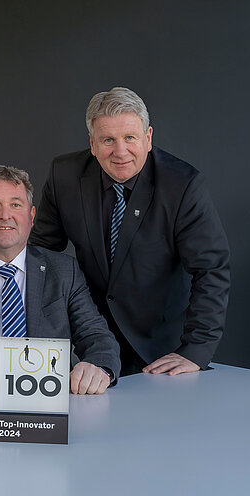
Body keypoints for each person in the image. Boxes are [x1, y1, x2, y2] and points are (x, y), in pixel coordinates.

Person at [30, 87, 230, 376]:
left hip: (161, 348)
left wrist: (195, 351)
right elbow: (41, 254)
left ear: (148, 138)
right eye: (108, 140)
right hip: (90, 344)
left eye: (130, 138)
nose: (120, 151)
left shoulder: (182, 186)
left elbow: (211, 269)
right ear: (92, 143)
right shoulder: (65, 175)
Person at [0, 166, 120, 407]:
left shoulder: (63, 271)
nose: (5, 215)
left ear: (31, 216)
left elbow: (96, 334)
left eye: (16, 204)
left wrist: (99, 366)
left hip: (46, 411)